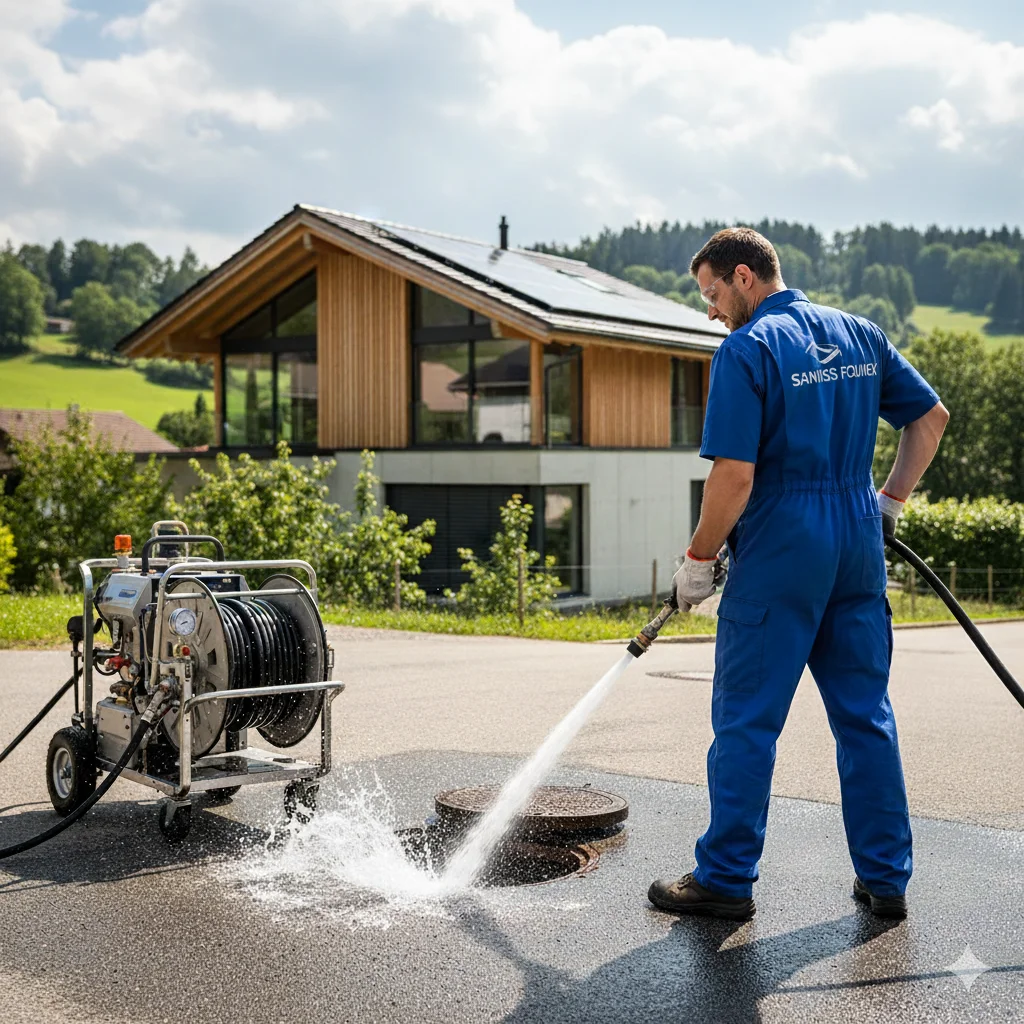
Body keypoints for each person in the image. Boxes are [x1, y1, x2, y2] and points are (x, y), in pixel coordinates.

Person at [648, 228, 948, 922]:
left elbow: (735, 473)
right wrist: (890, 502)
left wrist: (698, 561)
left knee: (749, 723)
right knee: (866, 718)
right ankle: (885, 879)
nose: (713, 310)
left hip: (783, 547)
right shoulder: (862, 333)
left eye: (714, 293)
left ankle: (725, 878)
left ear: (745, 275)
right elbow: (930, 419)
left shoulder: (747, 350)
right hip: (854, 540)